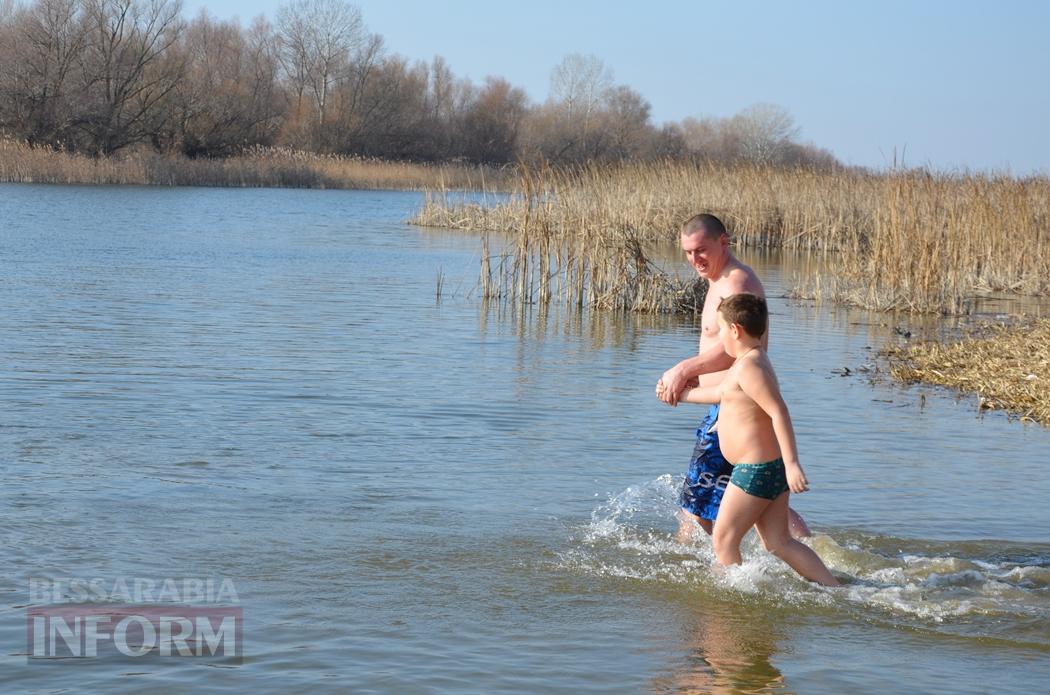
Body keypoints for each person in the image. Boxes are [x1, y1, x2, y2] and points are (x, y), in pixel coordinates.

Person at [664, 293, 839, 586]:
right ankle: (835, 589)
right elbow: (722, 394)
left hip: (756, 470)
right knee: (778, 542)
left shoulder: (751, 367)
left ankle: (732, 598)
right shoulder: (748, 361)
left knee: (723, 539)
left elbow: (779, 411)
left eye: (721, 331)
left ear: (736, 330)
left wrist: (793, 464)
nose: (719, 338)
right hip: (768, 468)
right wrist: (679, 395)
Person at [656, 214, 810, 541]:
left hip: (731, 411)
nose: (694, 259)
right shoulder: (718, 281)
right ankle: (815, 553)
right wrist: (690, 386)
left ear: (723, 242)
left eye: (701, 250)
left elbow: (735, 351)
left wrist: (684, 370)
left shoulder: (735, 284)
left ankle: (700, 572)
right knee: (754, 496)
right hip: (726, 406)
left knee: (694, 507)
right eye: (687, 252)